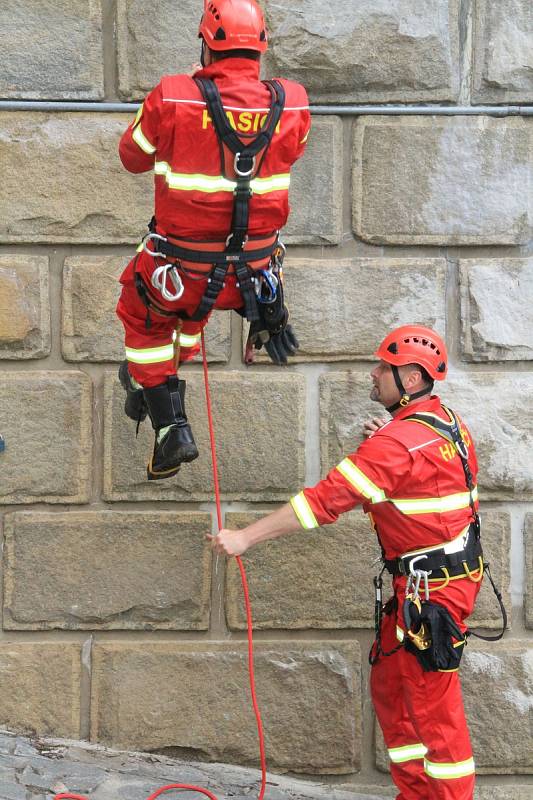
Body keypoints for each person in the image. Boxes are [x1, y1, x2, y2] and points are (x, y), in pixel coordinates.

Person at [210, 325, 484, 800]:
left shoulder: (397, 445)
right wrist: (389, 441)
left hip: (432, 592)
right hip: (430, 585)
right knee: (390, 687)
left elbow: (322, 502)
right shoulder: (441, 424)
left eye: (384, 367)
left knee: (433, 713)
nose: (373, 374)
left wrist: (244, 538)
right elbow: (425, 485)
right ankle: (415, 794)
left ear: (413, 380)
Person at [116, 0, 310, 480]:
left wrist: (187, 108)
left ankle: (170, 426)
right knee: (189, 319)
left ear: (206, 44)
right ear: (261, 47)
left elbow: (132, 156)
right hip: (252, 279)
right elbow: (293, 151)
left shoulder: (174, 95)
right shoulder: (294, 100)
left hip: (178, 273)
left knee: (142, 321)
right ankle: (152, 381)